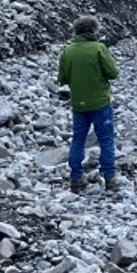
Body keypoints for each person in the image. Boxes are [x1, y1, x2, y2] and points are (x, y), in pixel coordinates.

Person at [57, 15, 121, 192]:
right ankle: (110, 179)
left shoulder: (68, 51)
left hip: (79, 105)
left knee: (78, 140)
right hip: (100, 103)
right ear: (93, 30)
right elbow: (113, 72)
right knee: (106, 141)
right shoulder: (99, 48)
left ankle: (76, 178)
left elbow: (62, 78)